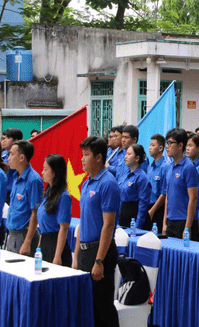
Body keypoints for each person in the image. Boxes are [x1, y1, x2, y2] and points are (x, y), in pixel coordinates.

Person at [73, 135, 120, 327]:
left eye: (86, 155)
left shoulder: (108, 183)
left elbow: (108, 225)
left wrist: (99, 260)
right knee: (87, 305)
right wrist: (76, 256)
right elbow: (84, 222)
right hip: (85, 251)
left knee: (103, 307)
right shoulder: (86, 183)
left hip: (101, 251)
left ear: (99, 157)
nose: (82, 159)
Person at [6, 140, 44, 255]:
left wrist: (27, 242)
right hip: (12, 233)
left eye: (12, 154)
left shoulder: (33, 180)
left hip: (24, 234)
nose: (8, 158)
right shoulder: (15, 176)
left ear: (21, 157)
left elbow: (35, 213)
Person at [37, 153, 72, 266]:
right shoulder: (48, 192)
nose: (42, 172)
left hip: (56, 244)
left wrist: (57, 256)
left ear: (54, 172)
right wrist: (38, 248)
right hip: (45, 242)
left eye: (45, 169)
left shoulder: (63, 196)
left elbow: (63, 228)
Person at [162, 128, 198, 239]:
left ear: (180, 145)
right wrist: (164, 222)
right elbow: (167, 196)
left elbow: (193, 198)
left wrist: (187, 227)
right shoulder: (169, 167)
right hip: (170, 220)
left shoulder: (189, 167)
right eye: (166, 143)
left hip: (183, 221)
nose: (167, 146)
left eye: (170, 143)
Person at [118, 143, 151, 228]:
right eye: (126, 154)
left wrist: (138, 226)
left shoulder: (142, 177)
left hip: (134, 216)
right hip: (123, 216)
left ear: (137, 158)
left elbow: (143, 204)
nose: (126, 157)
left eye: (129, 154)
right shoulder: (125, 175)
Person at [144, 134, 169, 232]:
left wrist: (153, 210)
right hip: (148, 207)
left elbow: (164, 193)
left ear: (161, 147)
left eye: (153, 145)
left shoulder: (165, 166)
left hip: (158, 208)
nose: (150, 148)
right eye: (150, 145)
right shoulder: (150, 167)